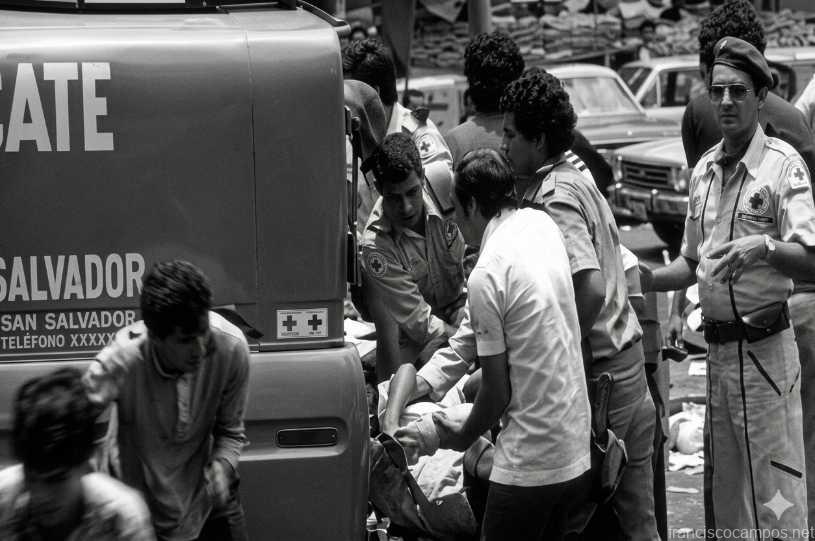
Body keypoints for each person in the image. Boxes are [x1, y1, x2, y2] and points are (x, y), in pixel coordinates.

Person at [641, 37, 815, 532]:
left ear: (760, 97)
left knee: (777, 500)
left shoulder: (783, 167)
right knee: (727, 499)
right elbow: (690, 260)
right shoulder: (704, 171)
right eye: (717, 90)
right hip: (717, 359)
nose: (725, 101)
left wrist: (765, 247)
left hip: (767, 357)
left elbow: (812, 260)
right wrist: (645, 277)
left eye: (738, 91)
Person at [394, 148, 592, 540]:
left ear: (470, 205)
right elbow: (469, 337)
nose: (454, 222)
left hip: (529, 461)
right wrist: (423, 384)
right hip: (575, 445)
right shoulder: (541, 225)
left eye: (455, 210)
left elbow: (496, 392)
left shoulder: (487, 271)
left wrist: (458, 436)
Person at [500, 67, 660, 540]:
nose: (504, 145)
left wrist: (553, 354)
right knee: (633, 522)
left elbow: (589, 288)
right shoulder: (574, 177)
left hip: (605, 382)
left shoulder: (557, 197)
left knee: (596, 521)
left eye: (511, 135)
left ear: (538, 139)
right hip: (624, 371)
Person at [83, 260, 250, 541]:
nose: (199, 349)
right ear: (155, 337)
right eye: (186, 340)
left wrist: (222, 467)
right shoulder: (122, 359)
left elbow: (231, 433)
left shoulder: (232, 348)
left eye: (203, 332)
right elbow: (73, 420)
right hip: (139, 505)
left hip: (206, 497)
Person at [444, 31, 614, 193]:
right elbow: (603, 178)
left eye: (509, 135)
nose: (503, 146)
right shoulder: (556, 133)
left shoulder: (453, 143)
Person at [0, 368, 155, 541]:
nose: (41, 495)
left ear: (85, 464)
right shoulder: (4, 503)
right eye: (31, 478)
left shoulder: (123, 520)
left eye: (56, 480)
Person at [360, 133, 467, 382]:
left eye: (412, 192)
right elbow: (418, 320)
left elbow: (476, 244)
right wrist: (464, 339)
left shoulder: (445, 187)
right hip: (417, 336)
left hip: (462, 308)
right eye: (394, 197)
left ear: (423, 176)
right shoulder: (376, 246)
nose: (406, 207)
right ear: (378, 189)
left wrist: (471, 314)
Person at [342, 38, 454, 201]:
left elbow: (436, 203)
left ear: (372, 93)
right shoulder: (348, 141)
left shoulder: (418, 136)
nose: (343, 105)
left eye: (348, 97)